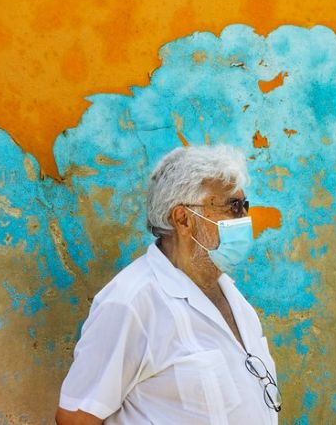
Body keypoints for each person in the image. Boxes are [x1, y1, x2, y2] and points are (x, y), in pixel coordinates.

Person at [55, 145, 281, 424]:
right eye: (233, 207)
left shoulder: (231, 295)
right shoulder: (131, 302)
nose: (245, 218)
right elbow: (75, 418)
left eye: (245, 206)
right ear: (183, 220)